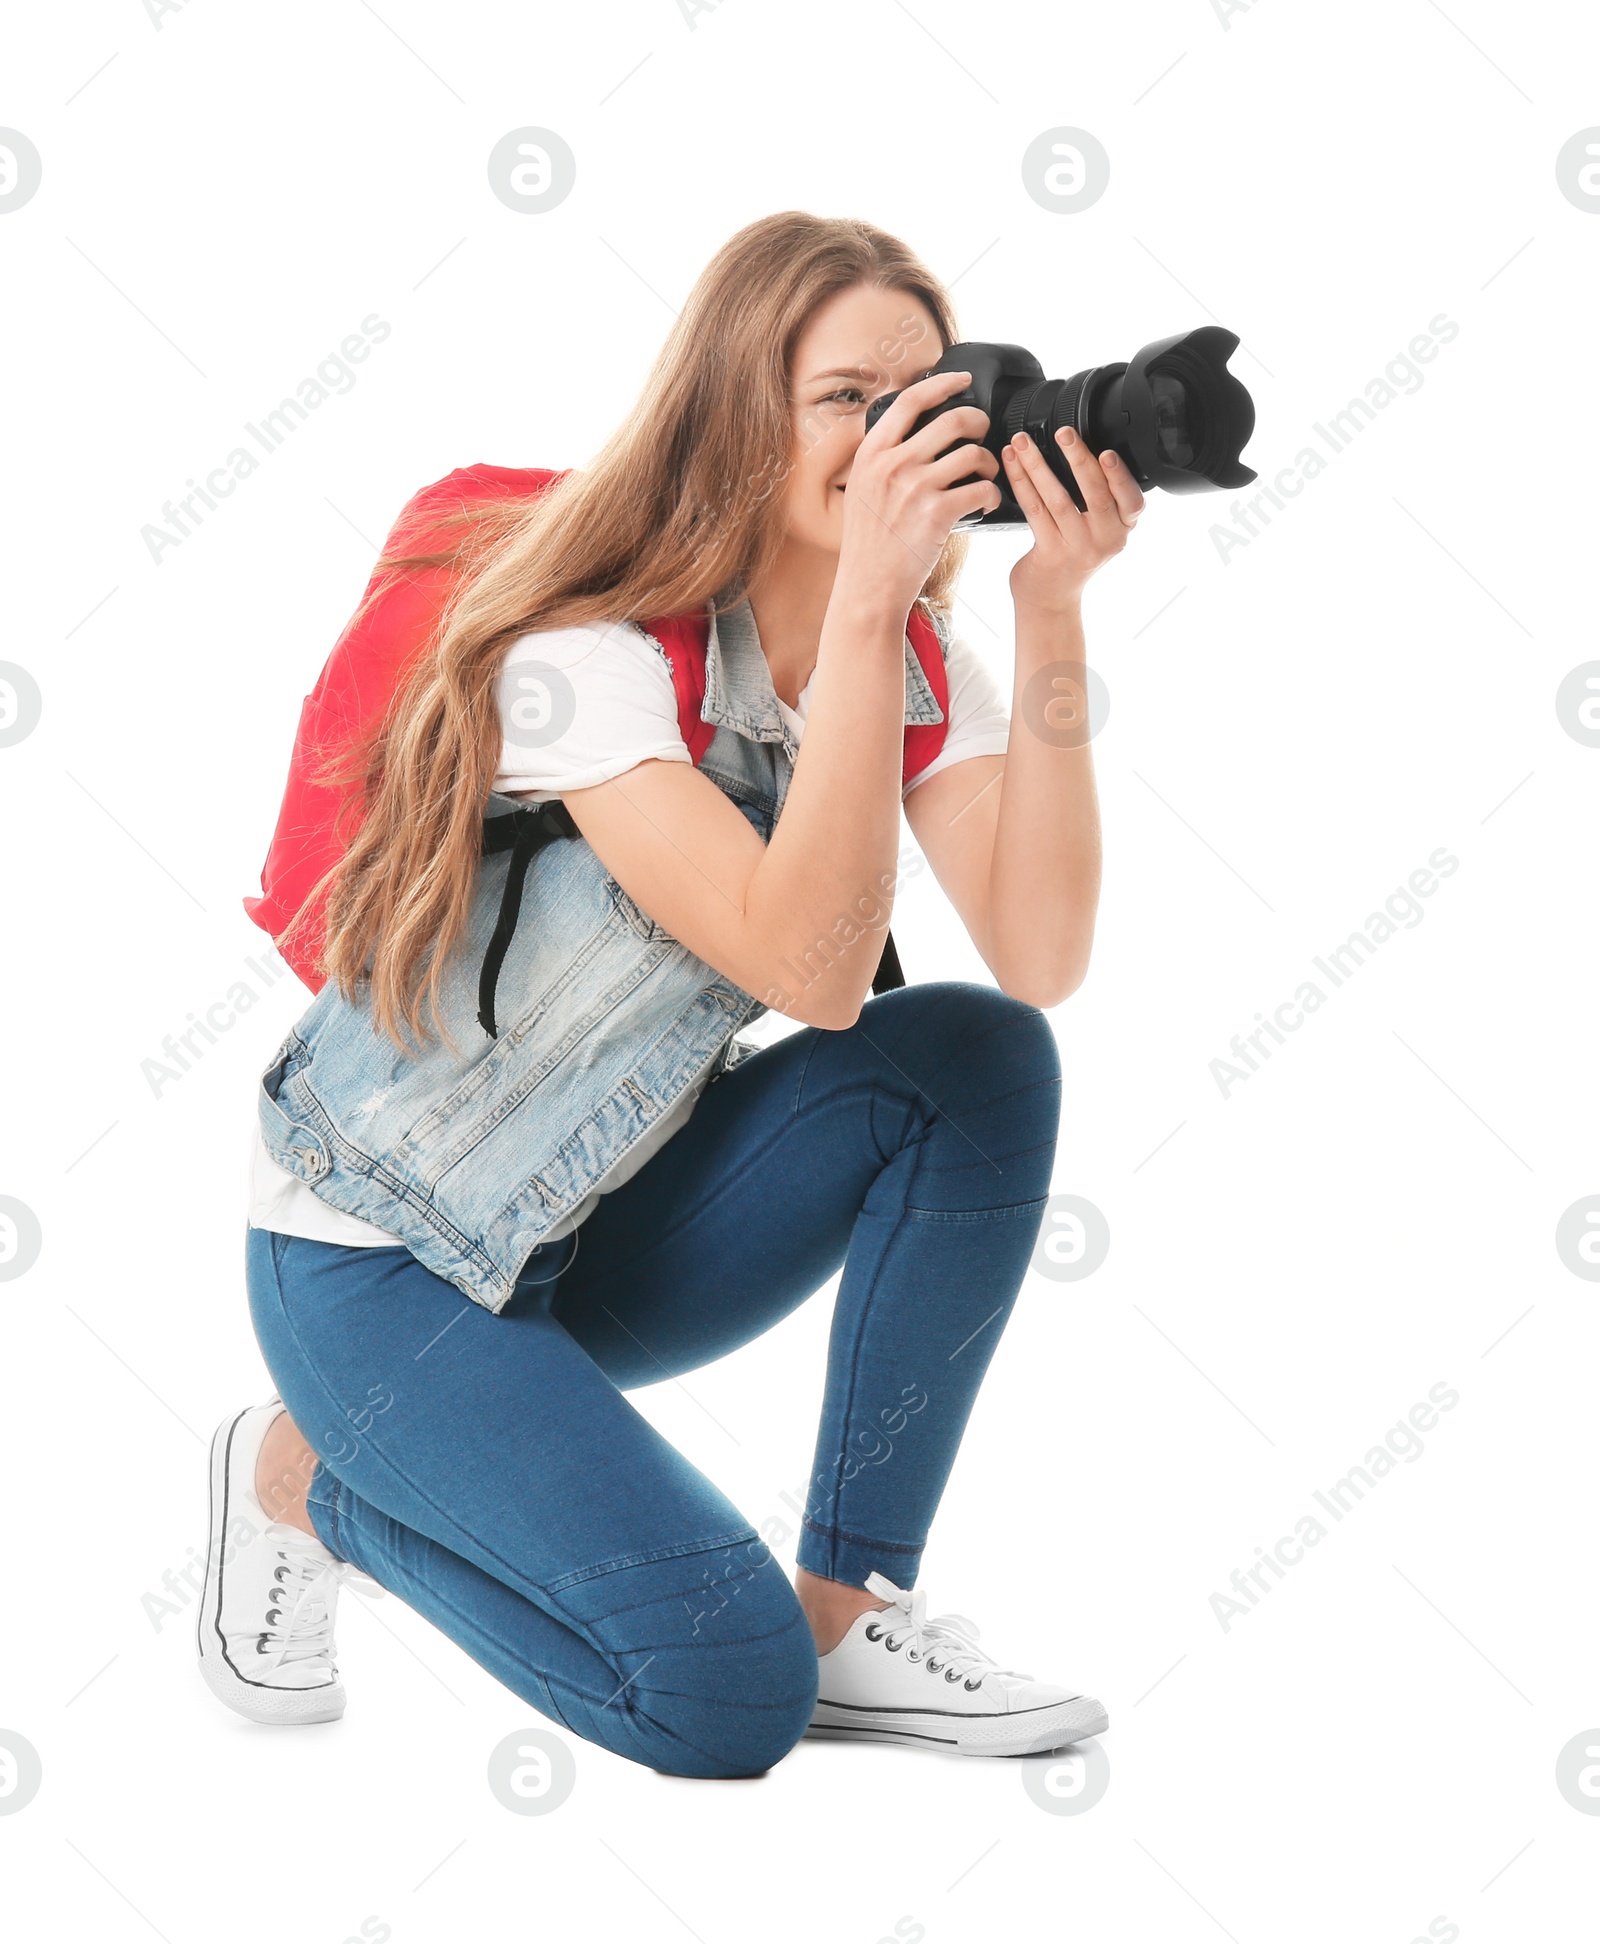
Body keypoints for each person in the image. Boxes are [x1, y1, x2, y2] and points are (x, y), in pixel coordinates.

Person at [197, 211, 1144, 1775]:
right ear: (735, 414)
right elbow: (808, 968)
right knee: (720, 1701)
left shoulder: (911, 661)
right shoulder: (590, 651)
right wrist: (859, 624)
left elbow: (1043, 953)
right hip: (378, 1268)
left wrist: (1049, 604)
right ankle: (309, 1481)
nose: (896, 435)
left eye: (927, 398)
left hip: (579, 1228)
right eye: (849, 398)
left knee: (979, 1054)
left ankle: (851, 1614)